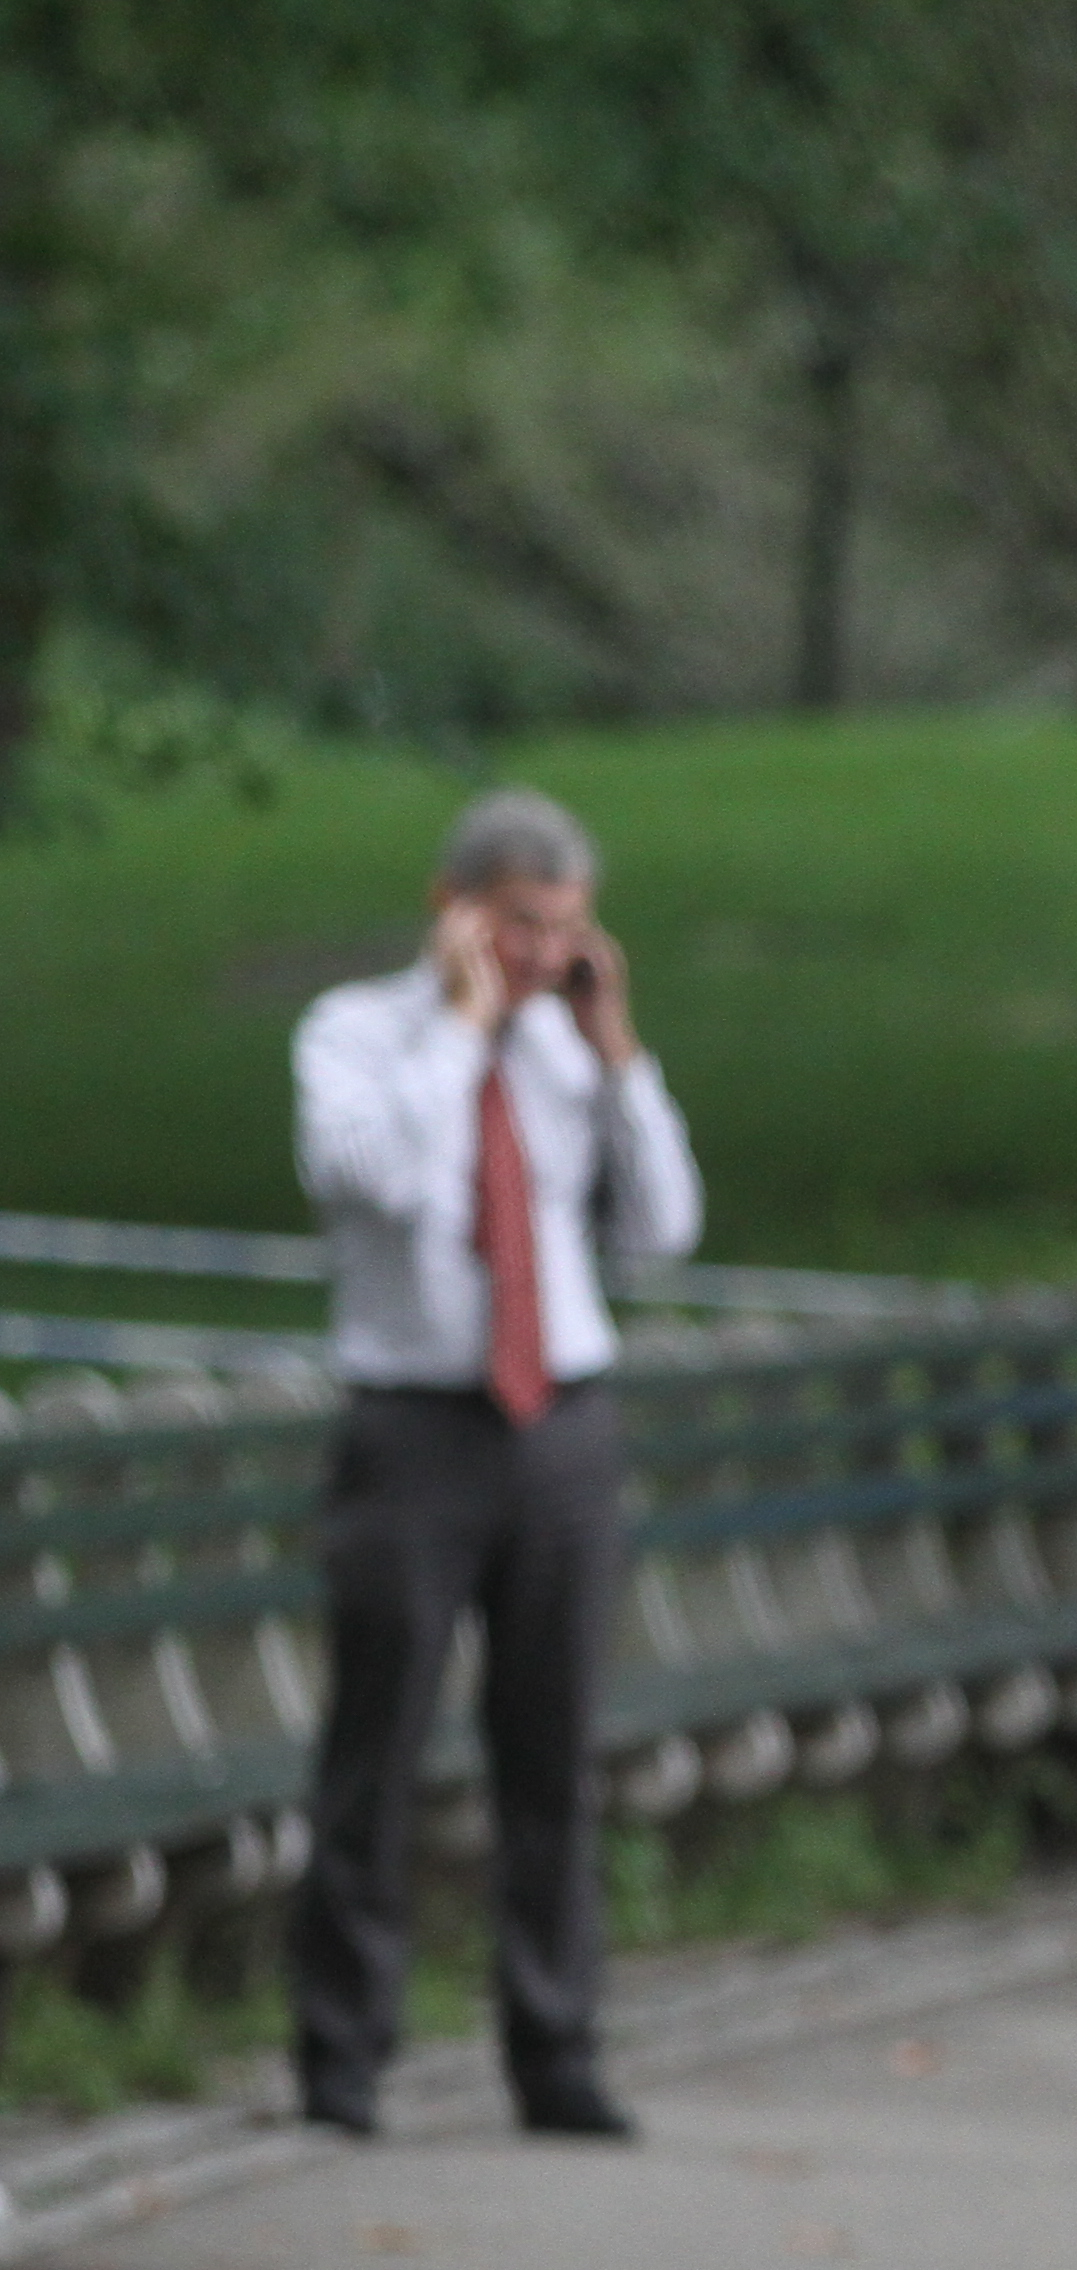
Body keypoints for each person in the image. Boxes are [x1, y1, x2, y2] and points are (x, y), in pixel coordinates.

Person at [285, 786, 705, 2141]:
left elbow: (666, 1231)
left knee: (553, 1746)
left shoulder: (573, 1050)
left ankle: (555, 2041)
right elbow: (379, 1181)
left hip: (560, 1427)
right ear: (458, 909)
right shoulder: (359, 1034)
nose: (543, 954)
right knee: (380, 1741)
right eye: (524, 925)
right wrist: (463, 1033)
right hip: (415, 1425)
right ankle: (342, 2051)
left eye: (569, 929)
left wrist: (618, 1053)